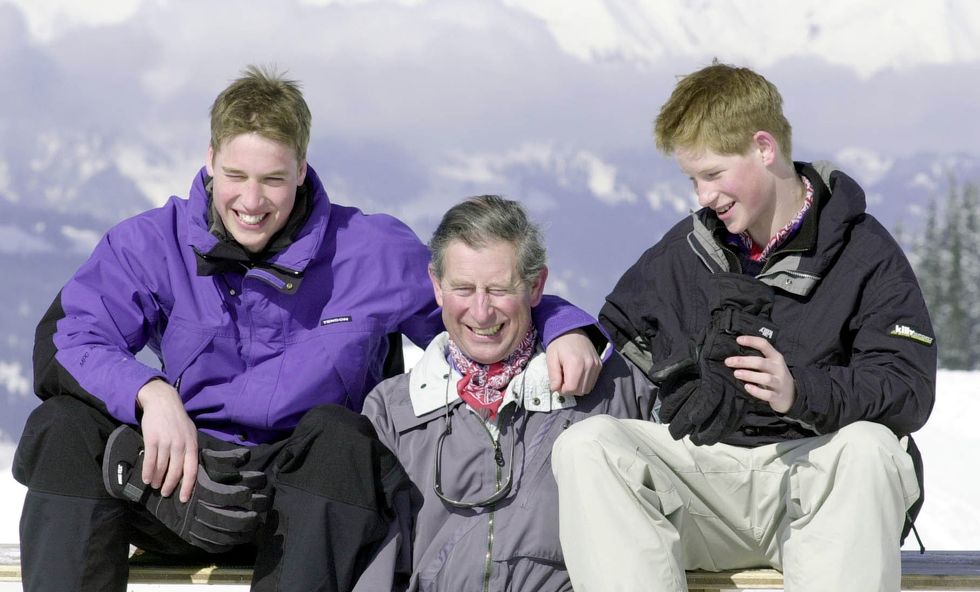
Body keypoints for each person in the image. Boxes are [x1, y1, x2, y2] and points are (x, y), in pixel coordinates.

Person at [12, 65, 606, 592]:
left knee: (340, 435)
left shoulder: (369, 250)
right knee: (62, 428)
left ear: (301, 169)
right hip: (179, 480)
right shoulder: (151, 243)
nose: (251, 200)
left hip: (309, 507)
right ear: (210, 161)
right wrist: (150, 392)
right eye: (236, 175)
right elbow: (67, 340)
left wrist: (563, 328)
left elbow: (474, 309)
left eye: (272, 179)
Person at [552, 62, 936, 592]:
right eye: (693, 180)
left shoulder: (864, 252)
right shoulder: (683, 253)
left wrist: (799, 391)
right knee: (588, 445)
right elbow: (616, 334)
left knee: (870, 447)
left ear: (763, 148)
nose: (702, 195)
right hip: (704, 489)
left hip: (820, 493)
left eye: (712, 174)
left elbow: (908, 390)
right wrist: (570, 331)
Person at [354, 195, 653, 591]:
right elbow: (375, 560)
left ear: (535, 286)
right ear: (437, 286)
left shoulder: (609, 389)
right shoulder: (393, 411)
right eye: (463, 288)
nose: (481, 312)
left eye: (499, 289)